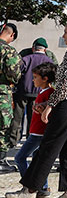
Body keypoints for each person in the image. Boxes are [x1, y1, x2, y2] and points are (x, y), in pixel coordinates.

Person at [6, 19, 67, 198]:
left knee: (48, 147)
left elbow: (66, 83)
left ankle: (29, 191)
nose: (63, 36)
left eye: (66, 32)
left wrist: (50, 105)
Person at [13, 62, 56, 198]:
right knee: (38, 160)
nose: (33, 80)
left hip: (39, 133)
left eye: (35, 77)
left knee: (20, 157)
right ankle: (42, 187)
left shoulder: (49, 93)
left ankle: (29, 184)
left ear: (45, 79)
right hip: (36, 131)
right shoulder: (43, 91)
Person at [0, 23, 23, 172]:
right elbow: (14, 74)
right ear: (12, 35)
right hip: (2, 92)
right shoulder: (8, 50)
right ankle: (1, 160)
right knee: (3, 125)